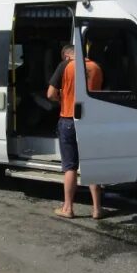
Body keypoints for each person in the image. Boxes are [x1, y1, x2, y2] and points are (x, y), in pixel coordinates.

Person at [47, 44, 105, 219]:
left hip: (68, 119)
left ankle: (68, 208)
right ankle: (97, 209)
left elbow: (50, 94)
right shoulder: (96, 67)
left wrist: (62, 99)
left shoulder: (65, 66)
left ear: (66, 56)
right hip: (91, 121)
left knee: (70, 166)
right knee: (92, 163)